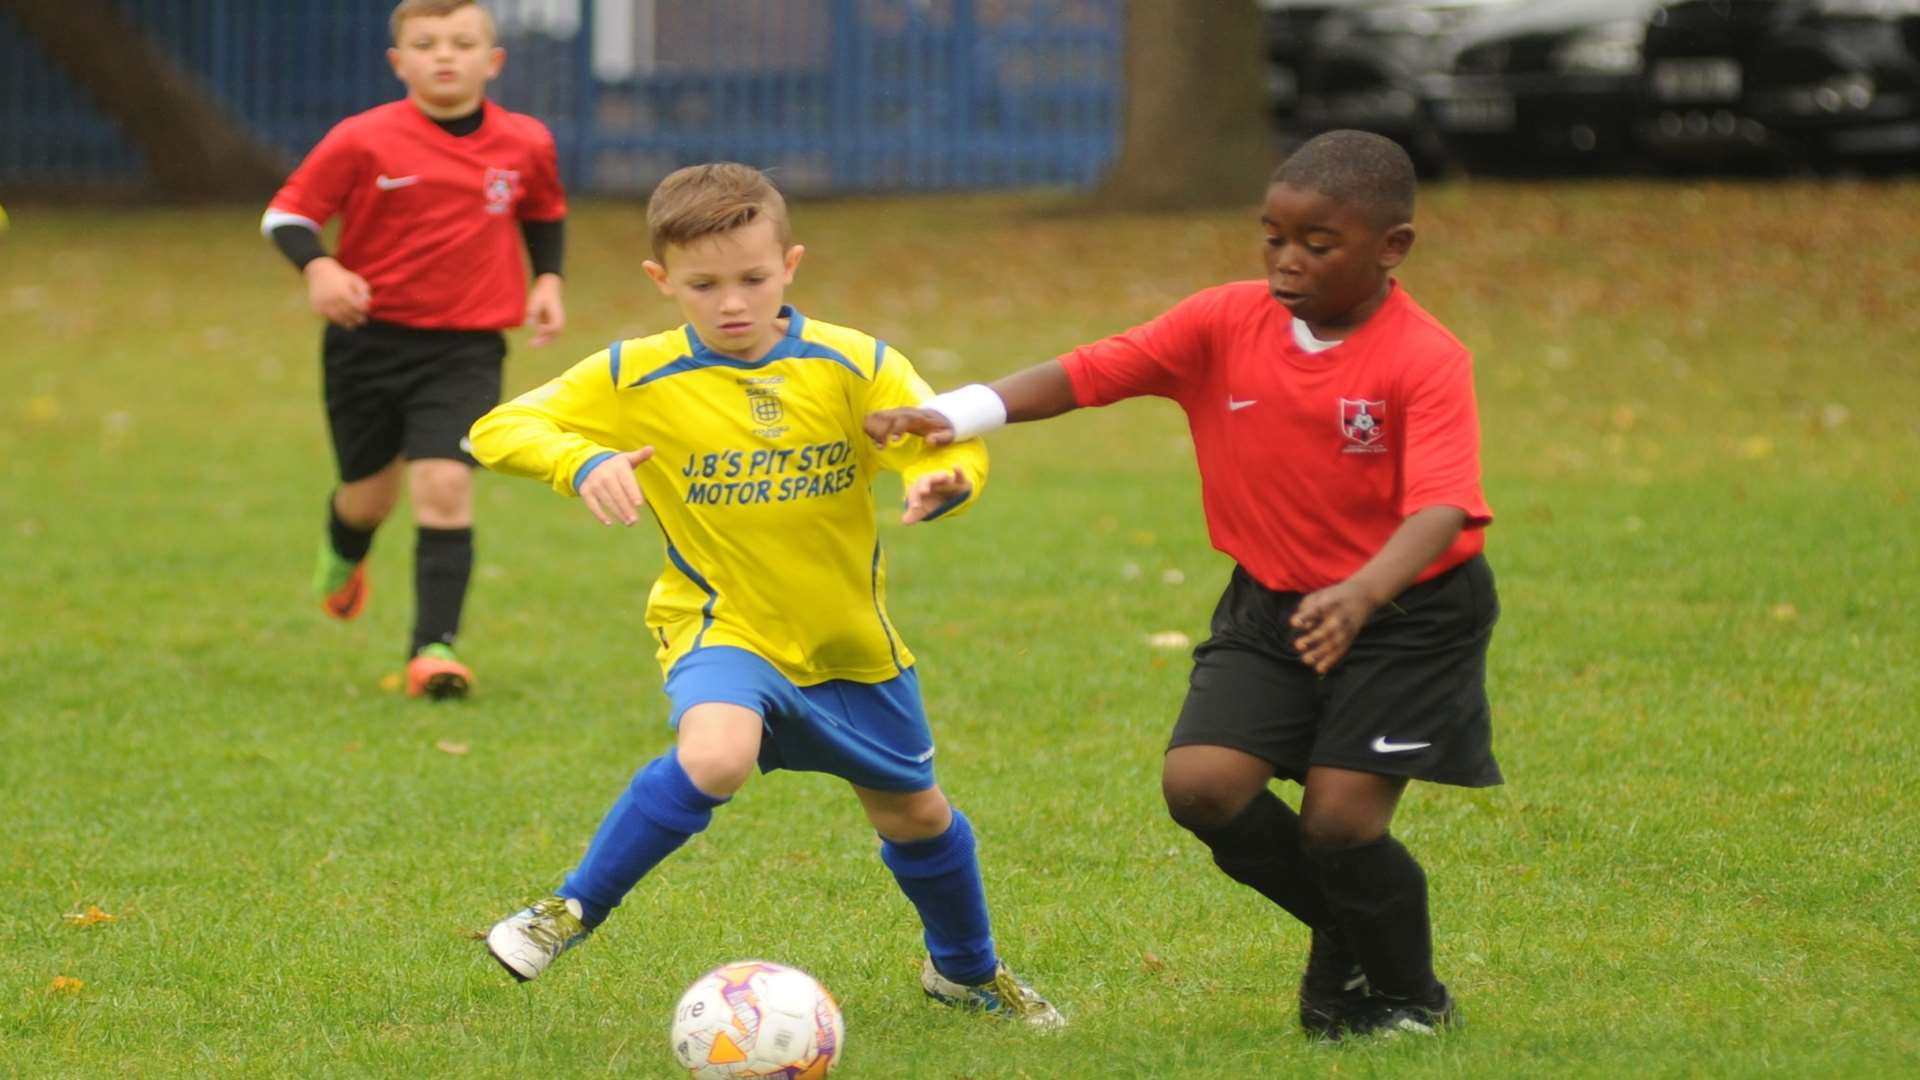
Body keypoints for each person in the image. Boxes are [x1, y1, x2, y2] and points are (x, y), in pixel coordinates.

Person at [865, 130, 1500, 1040]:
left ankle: (1410, 1000)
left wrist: (1361, 593)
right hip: (1272, 600)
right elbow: (1091, 371)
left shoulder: (1424, 359)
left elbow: (1442, 509)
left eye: (1318, 245)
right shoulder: (1223, 321)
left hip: (1406, 613)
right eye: (1273, 237)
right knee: (1202, 786)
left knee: (1340, 825)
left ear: (1391, 248)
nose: (1287, 260)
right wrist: (957, 411)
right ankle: (1355, 927)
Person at [469, 163, 1062, 1028]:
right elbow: (498, 428)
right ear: (661, 280)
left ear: (791, 264)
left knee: (918, 815)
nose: (731, 302)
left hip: (849, 644)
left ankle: (965, 972)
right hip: (723, 624)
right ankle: (565, 913)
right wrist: (584, 459)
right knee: (716, 755)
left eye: (752, 279)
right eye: (703, 285)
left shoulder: (854, 363)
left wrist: (948, 481)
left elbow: (944, 438)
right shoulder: (637, 374)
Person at [260, 0, 568, 698]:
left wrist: (547, 277)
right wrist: (320, 266)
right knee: (368, 499)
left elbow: (543, 210)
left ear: (493, 61)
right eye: (426, 43)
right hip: (366, 344)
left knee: (444, 483)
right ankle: (345, 547)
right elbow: (287, 215)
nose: (445, 56)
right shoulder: (362, 139)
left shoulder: (525, 142)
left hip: (465, 349)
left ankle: (434, 650)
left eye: (463, 42)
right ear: (400, 63)